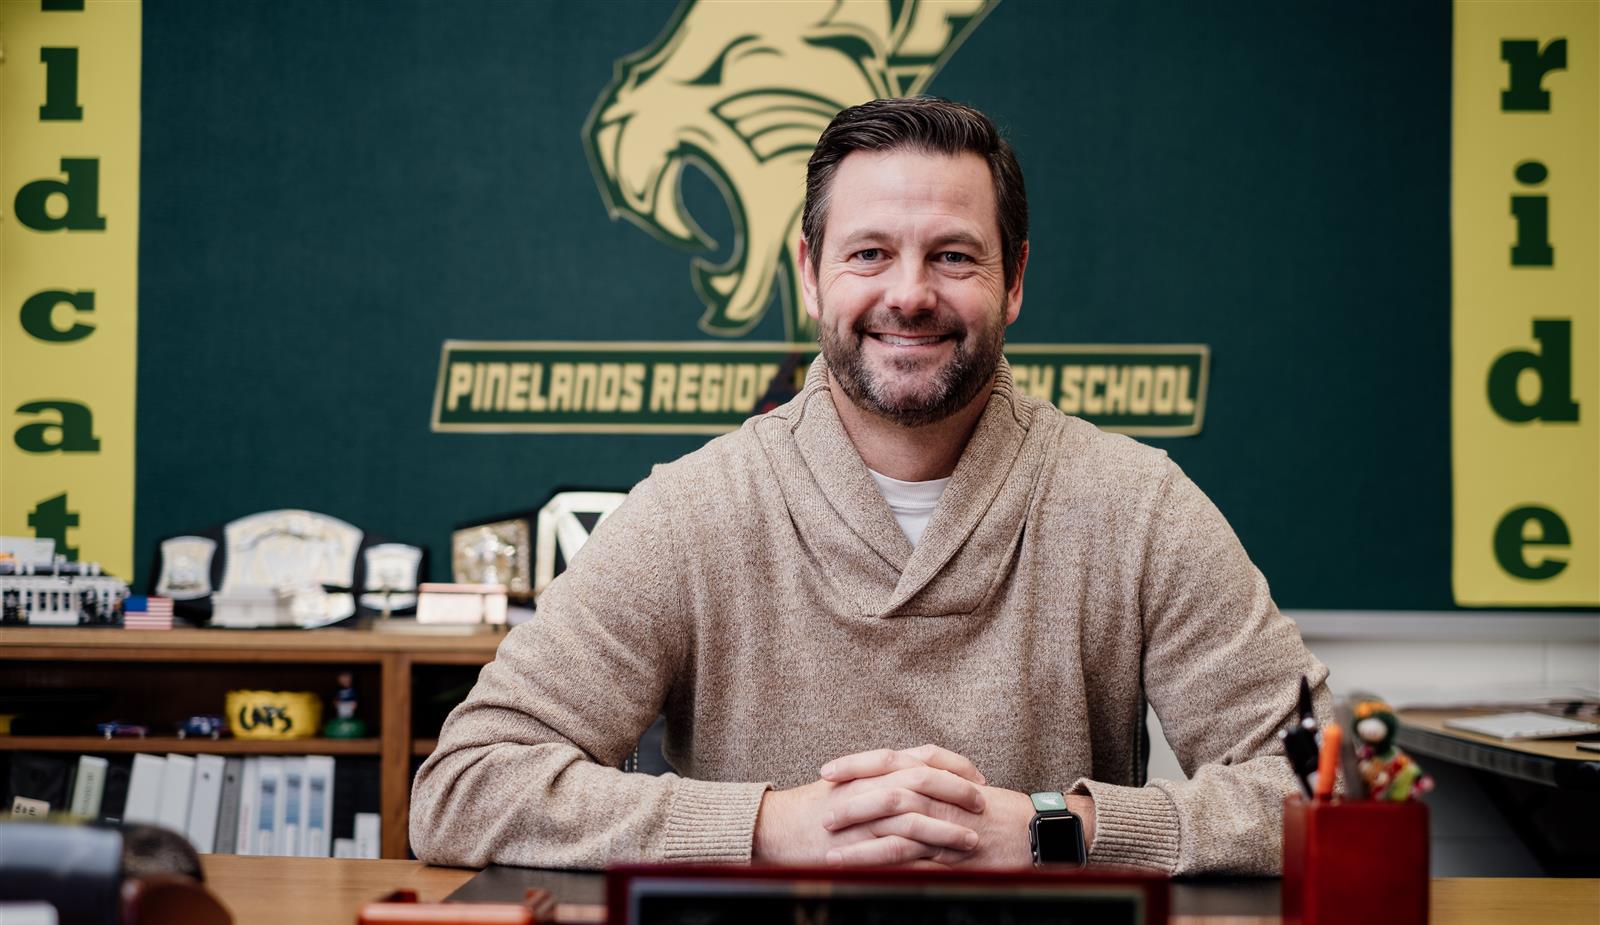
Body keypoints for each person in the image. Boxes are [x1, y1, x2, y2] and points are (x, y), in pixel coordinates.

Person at [410, 97, 1329, 876]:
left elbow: (1329, 783)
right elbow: (465, 785)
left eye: (955, 256)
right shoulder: (694, 511)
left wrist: (1056, 831)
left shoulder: (1137, 506)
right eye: (869, 254)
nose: (911, 293)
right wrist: (769, 829)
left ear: (1013, 283)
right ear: (811, 275)